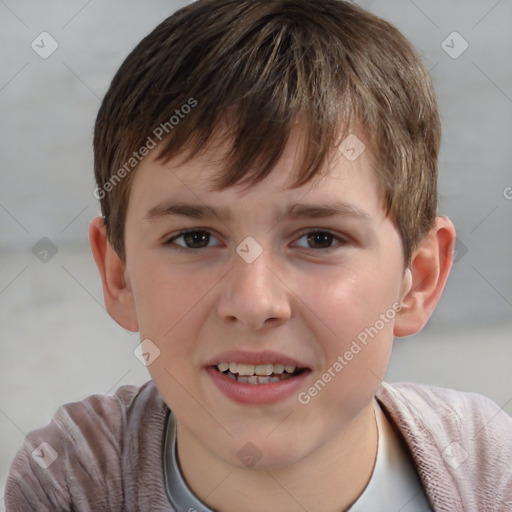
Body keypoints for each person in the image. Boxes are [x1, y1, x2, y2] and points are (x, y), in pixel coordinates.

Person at [5, 1, 512, 510]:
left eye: (319, 239)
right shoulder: (70, 480)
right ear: (119, 275)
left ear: (417, 278)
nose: (253, 302)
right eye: (195, 238)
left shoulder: (491, 471)